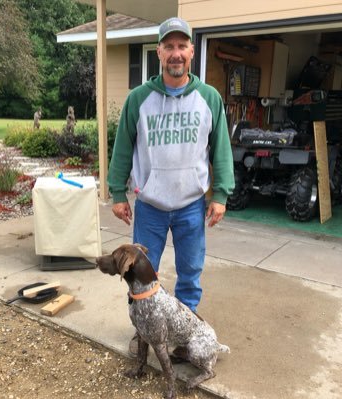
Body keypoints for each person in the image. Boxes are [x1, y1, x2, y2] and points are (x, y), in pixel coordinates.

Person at [107, 17, 235, 357]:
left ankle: (184, 333)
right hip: (150, 205)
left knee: (190, 272)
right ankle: (143, 332)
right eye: (169, 46)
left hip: (191, 204)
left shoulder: (209, 98)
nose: (175, 53)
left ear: (191, 51)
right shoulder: (139, 99)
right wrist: (117, 193)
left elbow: (220, 148)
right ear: (159, 52)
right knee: (138, 275)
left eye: (182, 46)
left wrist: (220, 194)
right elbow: (122, 148)